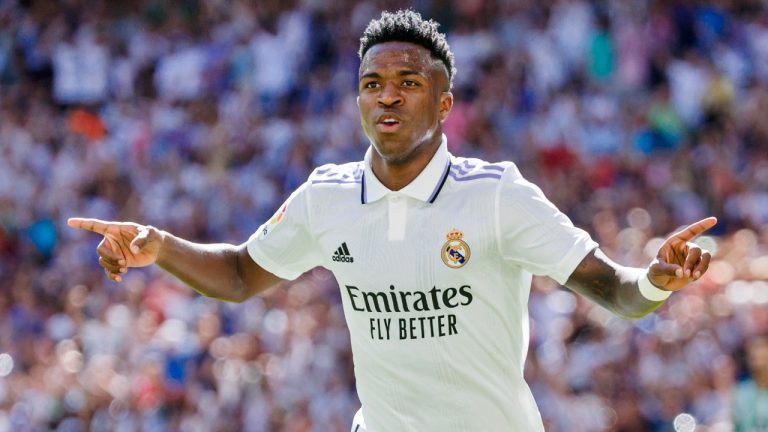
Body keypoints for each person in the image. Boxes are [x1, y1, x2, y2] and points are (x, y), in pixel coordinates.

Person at [69, 10, 717, 432]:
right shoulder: (328, 198)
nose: (387, 94)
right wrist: (157, 247)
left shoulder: (497, 196)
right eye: (372, 82)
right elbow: (240, 274)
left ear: (444, 103)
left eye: (408, 82)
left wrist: (657, 278)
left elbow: (617, 293)